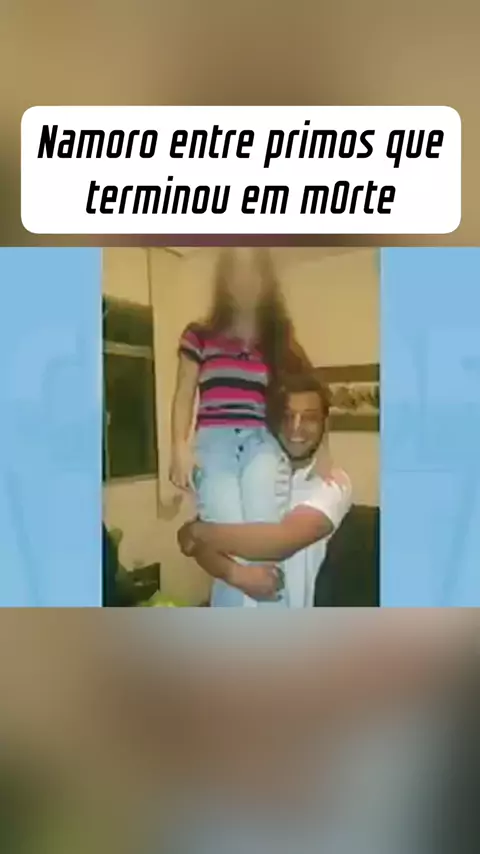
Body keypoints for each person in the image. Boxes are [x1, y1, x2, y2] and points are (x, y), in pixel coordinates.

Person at [169, 247, 320, 608]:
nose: (244, 280)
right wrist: (178, 447)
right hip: (214, 445)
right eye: (236, 271)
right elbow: (183, 394)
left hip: (261, 443)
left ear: (266, 280)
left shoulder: (278, 339)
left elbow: (313, 392)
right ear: (224, 279)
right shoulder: (199, 334)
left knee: (263, 540)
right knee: (229, 547)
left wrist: (323, 452)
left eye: (253, 271)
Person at [178, 372, 352, 607]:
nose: (296, 428)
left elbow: (280, 542)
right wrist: (236, 575)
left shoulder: (332, 483)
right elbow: (194, 545)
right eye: (287, 416)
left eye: (309, 418)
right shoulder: (243, 470)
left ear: (324, 423)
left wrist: (196, 532)